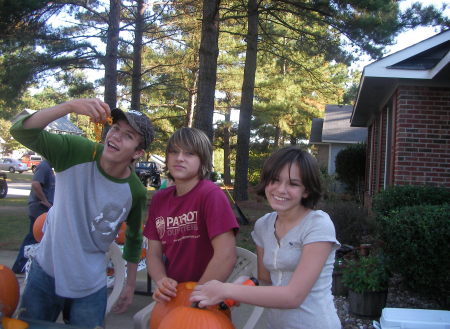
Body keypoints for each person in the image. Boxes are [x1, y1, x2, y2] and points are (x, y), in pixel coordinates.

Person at [10, 98, 154, 328]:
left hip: (90, 284)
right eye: (115, 128)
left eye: (128, 135)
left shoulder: (134, 191)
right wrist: (68, 107)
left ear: (138, 153)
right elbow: (21, 131)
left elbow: (135, 238)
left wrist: (128, 285)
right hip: (45, 271)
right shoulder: (75, 152)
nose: (115, 135)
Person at [191, 146, 342, 329]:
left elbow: (293, 297)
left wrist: (226, 289)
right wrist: (243, 284)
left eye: (293, 184)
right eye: (275, 180)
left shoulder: (318, 225)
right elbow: (265, 279)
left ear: (306, 190)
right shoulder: (263, 225)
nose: (281, 189)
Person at [143, 127, 239, 303]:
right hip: (173, 295)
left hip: (206, 297)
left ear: (202, 161)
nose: (179, 158)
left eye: (189, 153)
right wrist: (161, 280)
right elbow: (153, 254)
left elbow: (226, 255)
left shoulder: (210, 194)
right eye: (174, 151)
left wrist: (194, 298)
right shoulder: (159, 199)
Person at [12, 159, 55, 274]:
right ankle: (20, 266)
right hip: (39, 208)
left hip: (44, 209)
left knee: (38, 238)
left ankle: (30, 266)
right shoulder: (44, 166)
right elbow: (36, 184)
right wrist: (45, 201)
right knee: (34, 236)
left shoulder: (49, 168)